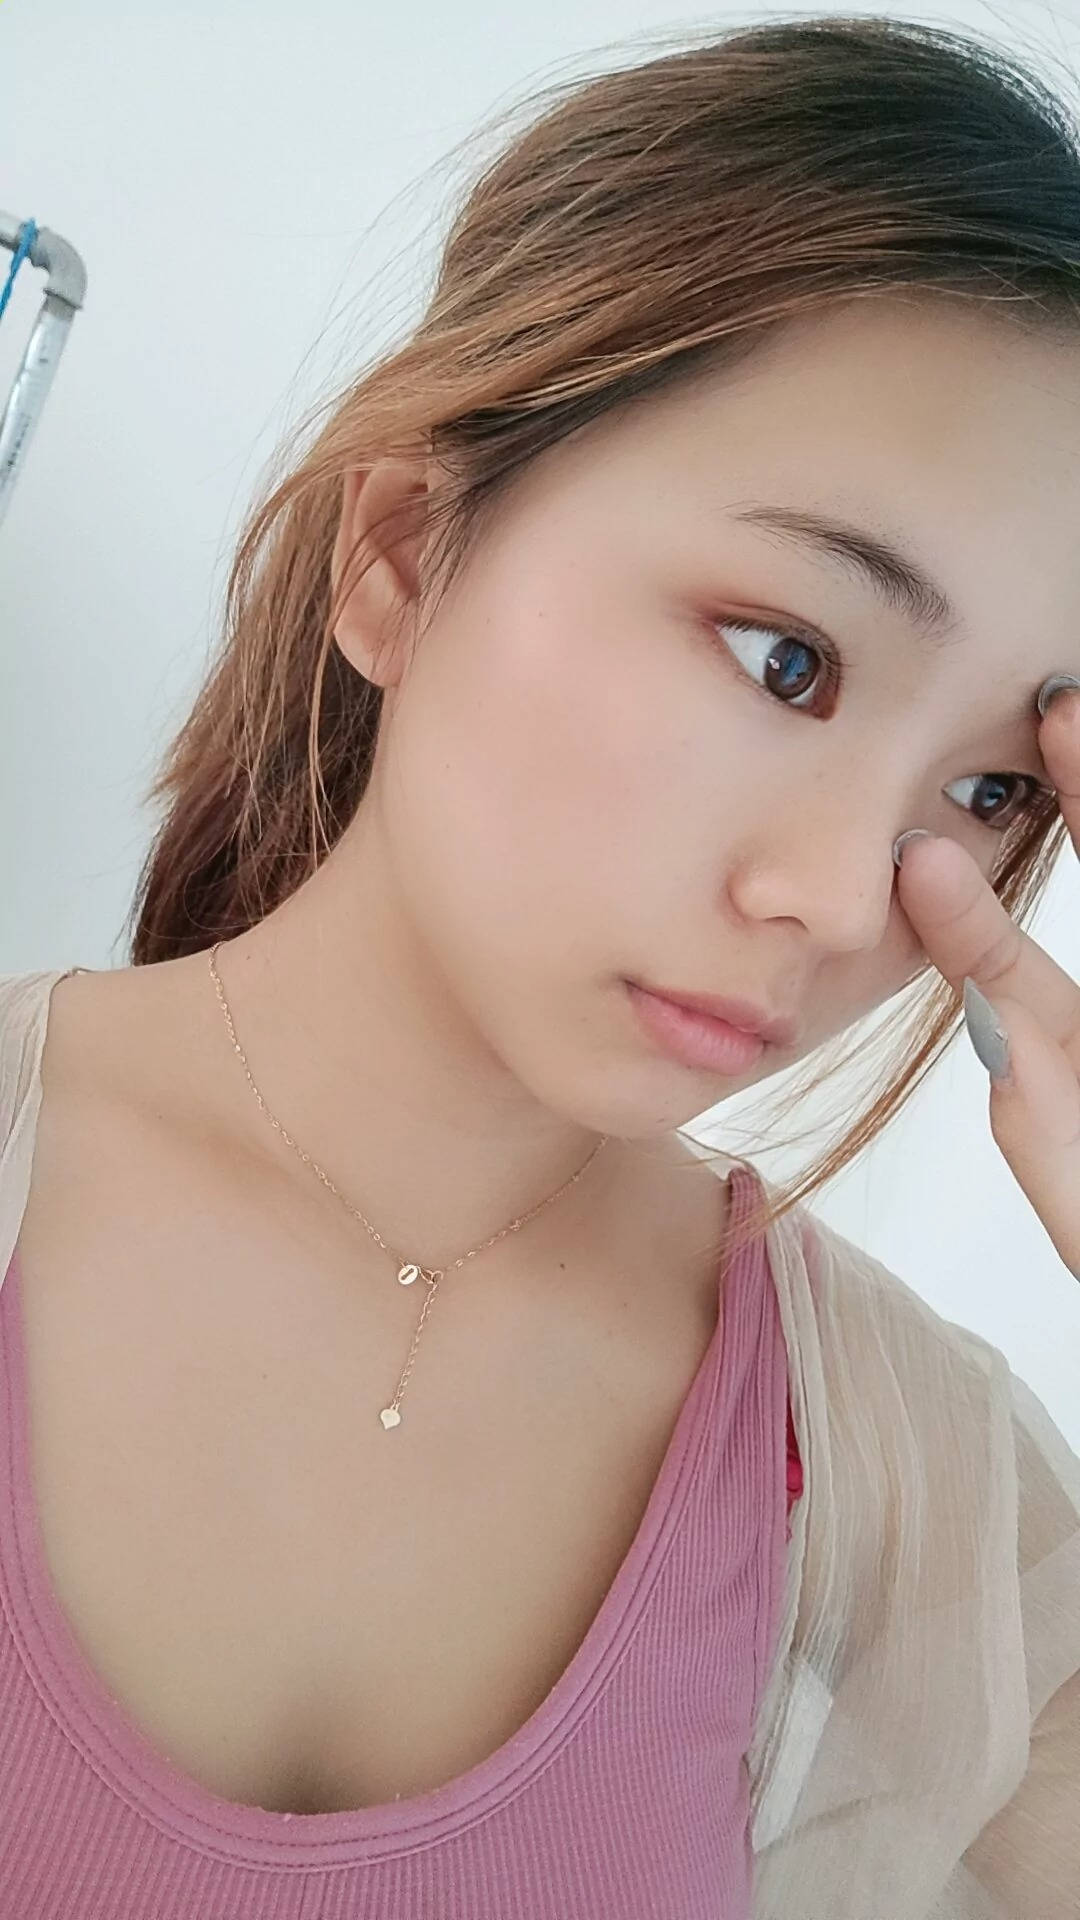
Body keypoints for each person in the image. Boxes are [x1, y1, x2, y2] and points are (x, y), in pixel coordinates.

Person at [1, 14, 1079, 1918]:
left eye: (992, 788)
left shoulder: (920, 1495)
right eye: (787, 661)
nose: (848, 899)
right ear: (405, 554)